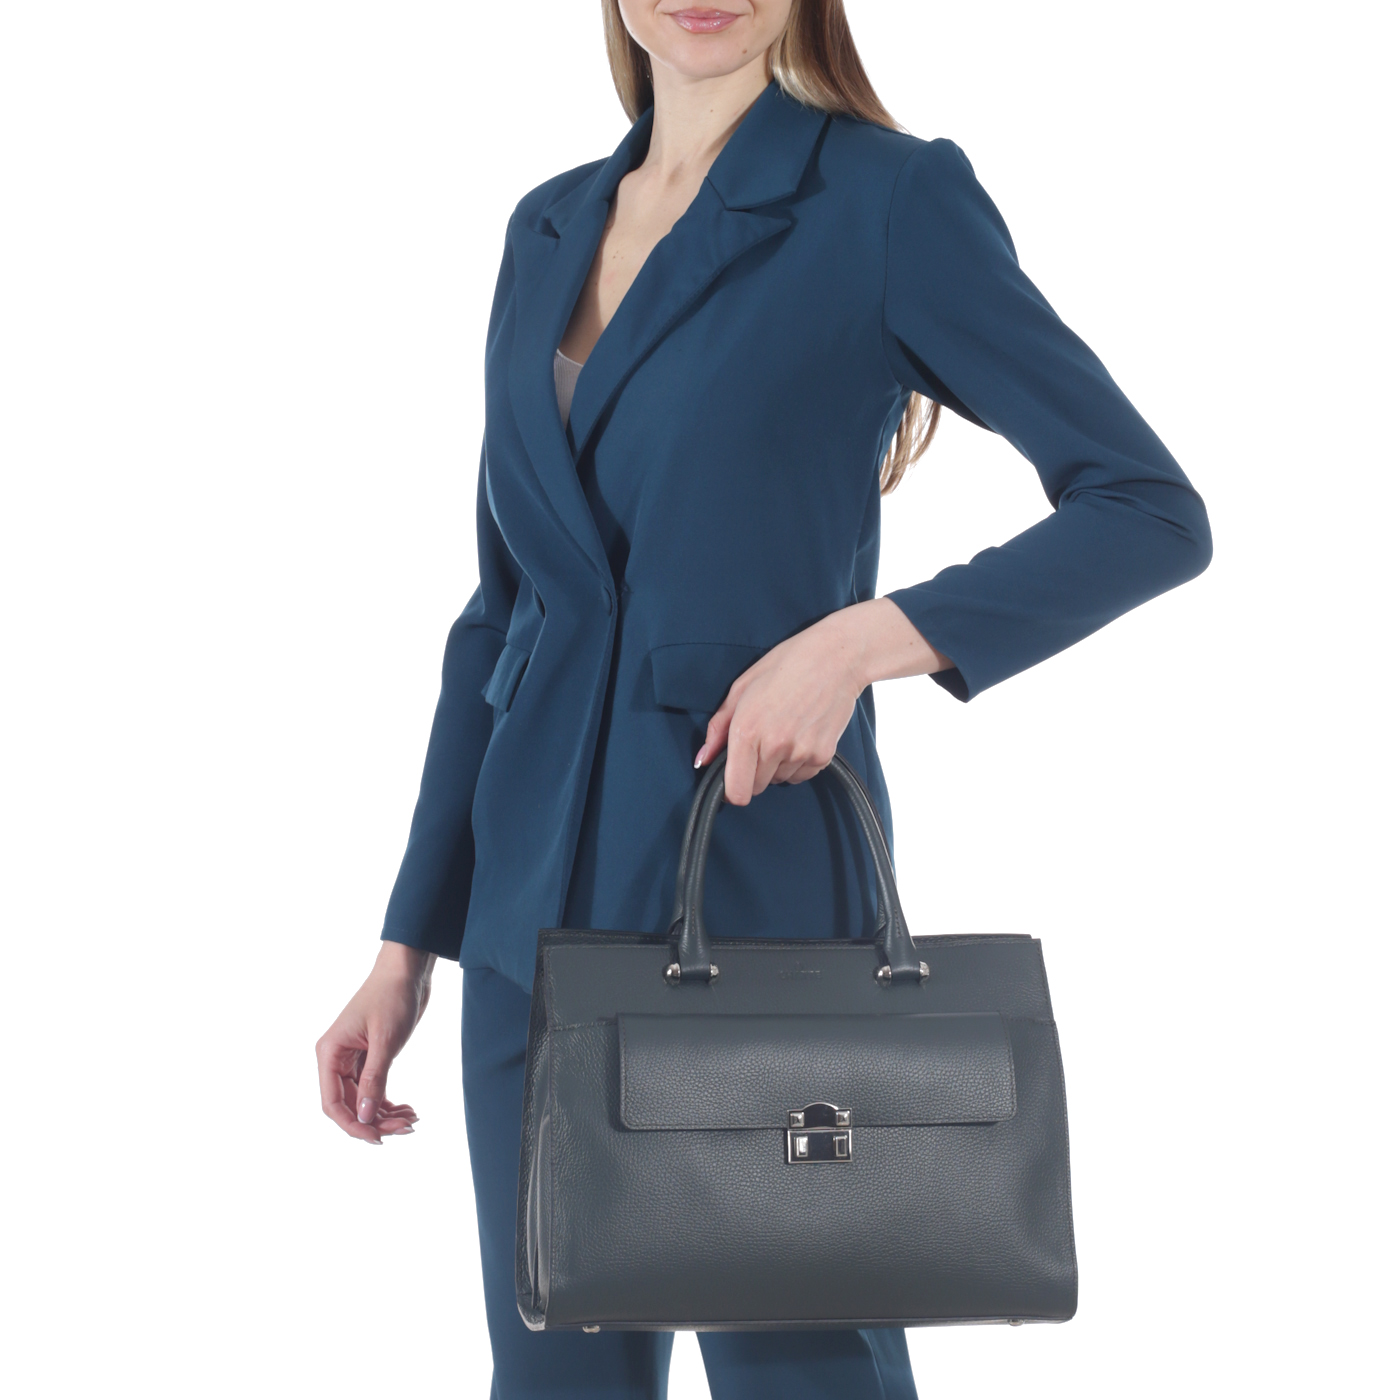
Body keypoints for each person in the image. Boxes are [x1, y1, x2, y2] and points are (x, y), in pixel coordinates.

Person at [316, 2, 1212, 1396]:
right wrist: (406, 943)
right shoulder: (546, 225)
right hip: (525, 939)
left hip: (756, 903)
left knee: (806, 1376)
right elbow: (502, 617)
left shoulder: (887, 200)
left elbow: (1148, 510)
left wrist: (864, 641)